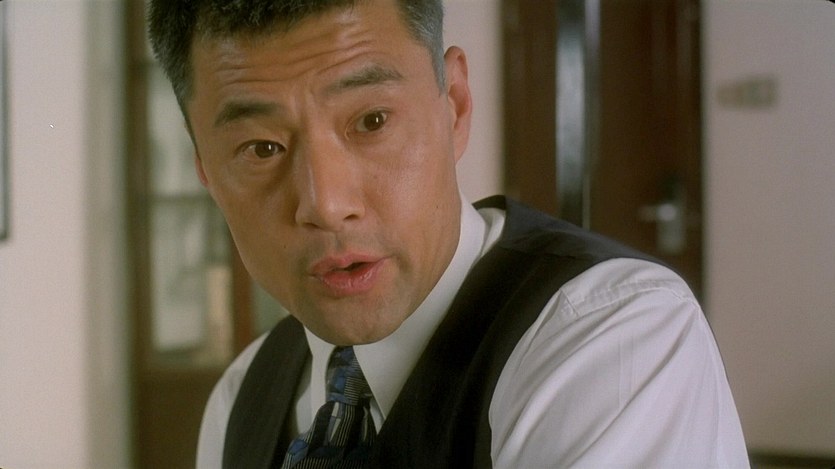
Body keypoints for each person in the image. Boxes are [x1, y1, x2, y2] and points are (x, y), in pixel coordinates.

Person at [148, 0, 750, 467]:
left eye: (372, 121)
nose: (327, 206)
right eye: (262, 148)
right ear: (205, 170)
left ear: (455, 104)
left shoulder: (614, 338)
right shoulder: (241, 398)